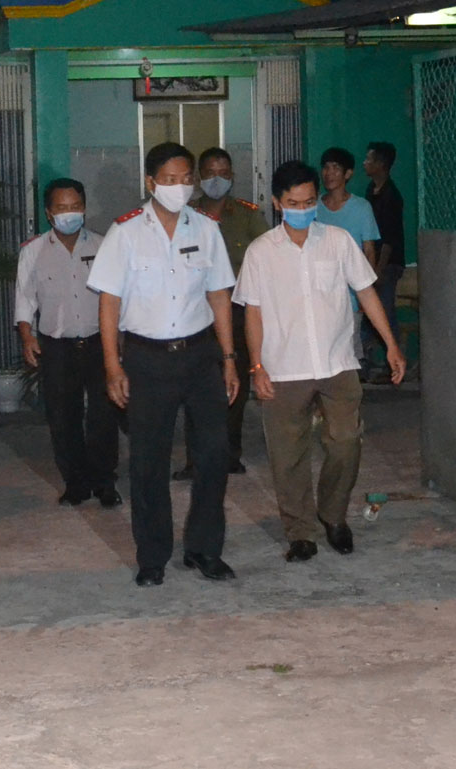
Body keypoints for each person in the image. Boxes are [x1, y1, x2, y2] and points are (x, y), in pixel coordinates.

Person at [234, 160, 405, 562]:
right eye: (294, 203)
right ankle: (300, 532)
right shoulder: (261, 252)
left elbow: (365, 292)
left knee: (346, 443)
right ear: (278, 203)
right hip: (283, 367)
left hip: (337, 362)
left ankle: (332, 514)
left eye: (309, 202)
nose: (303, 209)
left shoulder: (338, 241)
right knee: (287, 456)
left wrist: (391, 344)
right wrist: (256, 365)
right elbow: (253, 312)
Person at [88, 141, 241, 587]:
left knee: (213, 456)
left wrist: (229, 359)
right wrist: (113, 366)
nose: (180, 187)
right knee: (148, 461)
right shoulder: (125, 232)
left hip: (200, 357)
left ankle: (204, 549)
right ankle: (152, 556)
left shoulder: (206, 228)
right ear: (150, 183)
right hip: (147, 360)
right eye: (170, 180)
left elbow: (219, 295)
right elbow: (109, 303)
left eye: (186, 179)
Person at [16, 177, 121, 508]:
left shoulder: (104, 246)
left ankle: (104, 481)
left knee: (104, 415)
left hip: (99, 343)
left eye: (75, 206)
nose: (69, 213)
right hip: (57, 346)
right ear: (49, 213)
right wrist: (26, 335)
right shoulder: (33, 251)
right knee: (63, 417)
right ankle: (75, 482)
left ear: (84, 208)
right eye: (61, 208)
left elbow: (118, 297)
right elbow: (24, 299)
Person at [172, 146, 270, 481]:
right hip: (195, 314)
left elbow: (267, 260)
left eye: (224, 173)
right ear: (200, 178)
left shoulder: (248, 216)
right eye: (211, 173)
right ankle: (195, 460)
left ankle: (229, 454)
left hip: (237, 312)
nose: (217, 179)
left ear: (233, 177)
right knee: (195, 389)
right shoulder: (185, 216)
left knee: (234, 386)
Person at [314, 147, 380, 366]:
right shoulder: (314, 208)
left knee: (348, 352)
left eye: (335, 168)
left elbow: (369, 251)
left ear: (348, 174)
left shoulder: (361, 208)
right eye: (326, 168)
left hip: (351, 293)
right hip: (321, 291)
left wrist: (365, 292)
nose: (329, 173)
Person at [362, 141, 406, 376]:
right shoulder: (372, 190)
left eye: (369, 159)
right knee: (369, 312)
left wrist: (378, 270)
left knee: (385, 312)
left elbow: (389, 239)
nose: (365, 163)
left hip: (387, 264)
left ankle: (394, 364)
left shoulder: (391, 196)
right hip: (374, 263)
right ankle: (368, 361)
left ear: (381, 164)